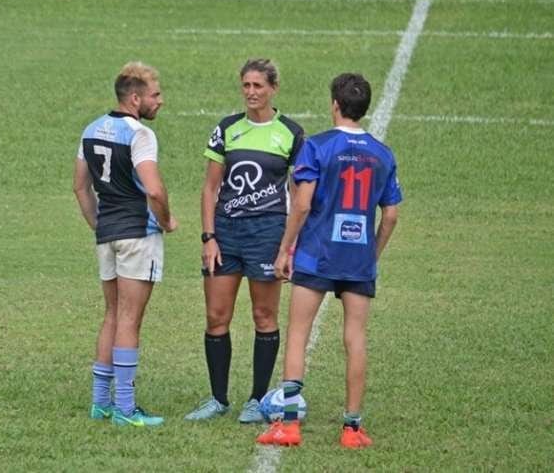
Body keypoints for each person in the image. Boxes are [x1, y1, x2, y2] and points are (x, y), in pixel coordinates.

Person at [256, 73, 401, 448]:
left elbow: (302, 204)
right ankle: (352, 428)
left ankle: (288, 425)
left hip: (315, 254)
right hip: (357, 260)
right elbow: (391, 215)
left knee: (298, 333)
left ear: (335, 104)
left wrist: (285, 249)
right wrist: (371, 253)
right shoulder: (383, 154)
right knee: (355, 338)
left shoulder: (317, 146)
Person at [185, 59, 304, 424]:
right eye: (246, 85)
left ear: (273, 89)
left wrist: (288, 244)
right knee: (216, 316)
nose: (251, 92)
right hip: (226, 232)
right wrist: (208, 236)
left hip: (267, 234)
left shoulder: (291, 133)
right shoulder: (226, 129)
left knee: (263, 315)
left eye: (258, 86)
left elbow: (299, 194)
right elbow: (209, 188)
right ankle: (218, 399)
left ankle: (256, 400)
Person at [73, 62, 178, 427]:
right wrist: (166, 220)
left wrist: (98, 225)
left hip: (108, 235)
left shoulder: (90, 130)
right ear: (135, 98)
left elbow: (79, 187)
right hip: (137, 234)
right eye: (155, 94)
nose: (159, 101)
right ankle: (126, 409)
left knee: (113, 315)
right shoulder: (140, 135)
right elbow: (154, 188)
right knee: (130, 319)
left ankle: (101, 403)